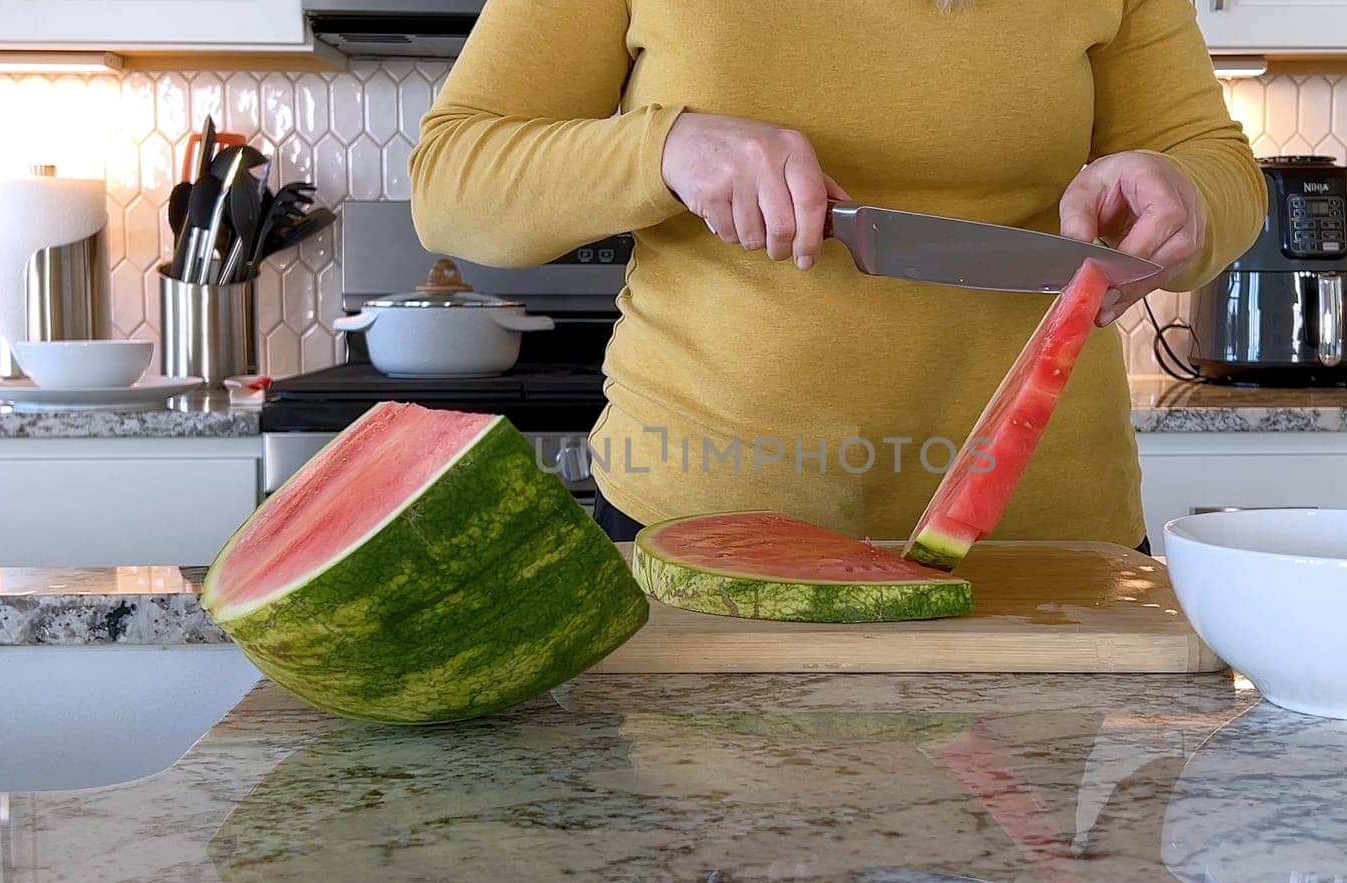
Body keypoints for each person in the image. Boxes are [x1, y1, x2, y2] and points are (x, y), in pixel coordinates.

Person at [409, 0, 1267, 551]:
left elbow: (1216, 161)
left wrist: (1187, 196)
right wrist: (663, 147)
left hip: (1045, 539)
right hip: (706, 525)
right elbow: (452, 184)